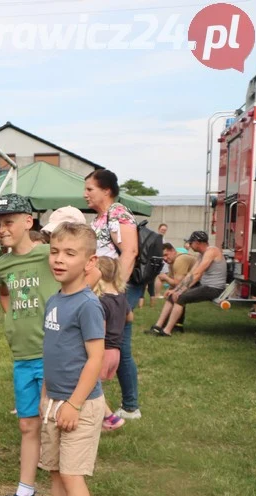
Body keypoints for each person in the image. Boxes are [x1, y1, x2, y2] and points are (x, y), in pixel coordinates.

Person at [16, 222, 103, 496]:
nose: (59, 259)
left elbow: (94, 360)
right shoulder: (55, 299)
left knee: (72, 475)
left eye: (70, 253)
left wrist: (75, 404)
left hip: (79, 407)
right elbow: (54, 354)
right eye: (54, 251)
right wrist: (46, 395)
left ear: (89, 261)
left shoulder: (87, 305)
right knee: (54, 470)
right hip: (54, 402)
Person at [0, 197, 63, 496]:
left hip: (53, 354)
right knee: (28, 426)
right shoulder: (2, 265)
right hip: (22, 357)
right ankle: (25, 493)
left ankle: (66, 492)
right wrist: (12, 319)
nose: (1, 230)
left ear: (28, 222)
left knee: (54, 424)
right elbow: (4, 293)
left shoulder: (49, 255)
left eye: (8, 222)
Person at [84, 168, 140, 420]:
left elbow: (129, 251)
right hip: (99, 292)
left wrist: (116, 289)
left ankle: (130, 407)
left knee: (119, 347)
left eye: (90, 189)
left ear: (106, 190)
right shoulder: (100, 218)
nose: (85, 194)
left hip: (110, 293)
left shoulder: (118, 213)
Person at [150, 231, 227, 337]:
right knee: (173, 296)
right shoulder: (201, 255)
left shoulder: (212, 250)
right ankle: (158, 327)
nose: (189, 245)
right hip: (204, 285)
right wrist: (176, 290)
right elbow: (190, 274)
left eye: (191, 243)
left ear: (197, 242)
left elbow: (198, 273)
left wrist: (180, 291)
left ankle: (167, 331)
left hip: (214, 288)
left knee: (181, 297)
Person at [92, 257, 132, 431]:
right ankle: (104, 418)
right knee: (93, 387)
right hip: (116, 351)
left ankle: (109, 418)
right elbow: (130, 317)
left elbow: (99, 332)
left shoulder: (100, 300)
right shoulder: (120, 296)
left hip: (103, 352)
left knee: (90, 388)